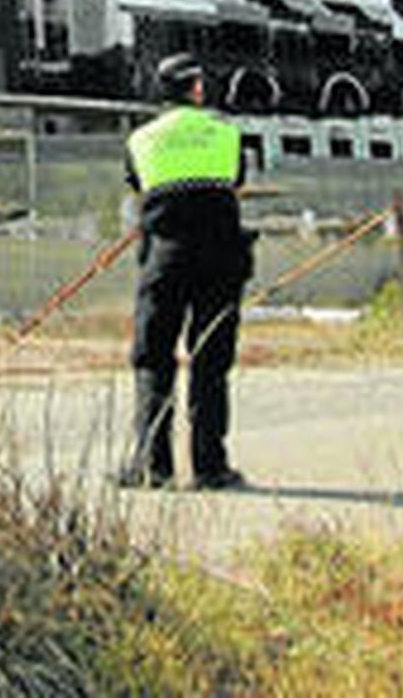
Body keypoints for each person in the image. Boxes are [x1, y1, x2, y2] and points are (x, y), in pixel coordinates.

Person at [117, 53, 253, 491]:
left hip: (165, 258)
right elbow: (235, 183)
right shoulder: (227, 134)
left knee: (153, 360)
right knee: (211, 361)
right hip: (220, 256)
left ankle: (153, 467)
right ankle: (210, 467)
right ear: (197, 88)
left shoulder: (141, 139)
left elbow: (139, 187)